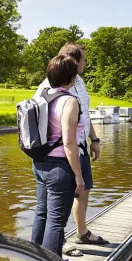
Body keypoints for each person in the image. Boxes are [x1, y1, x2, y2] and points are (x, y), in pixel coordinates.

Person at [36, 44, 107, 246]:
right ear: (73, 62)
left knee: (83, 192)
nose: (85, 63)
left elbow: (84, 113)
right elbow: (61, 136)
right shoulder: (47, 87)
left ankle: (81, 233)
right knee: (53, 212)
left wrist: (94, 140)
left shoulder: (79, 83)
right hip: (60, 156)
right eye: (83, 60)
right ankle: (57, 248)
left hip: (80, 147)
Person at [31, 54, 87, 261]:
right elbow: (69, 143)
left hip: (40, 163)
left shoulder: (43, 97)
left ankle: (34, 258)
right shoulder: (69, 101)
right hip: (59, 168)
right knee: (56, 221)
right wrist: (79, 176)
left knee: (41, 213)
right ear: (71, 79)